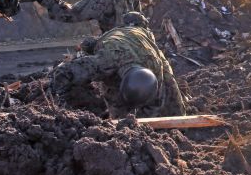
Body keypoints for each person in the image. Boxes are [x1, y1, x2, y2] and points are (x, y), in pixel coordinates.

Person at [51, 14, 186, 117]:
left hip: (142, 55)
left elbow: (168, 87)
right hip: (115, 52)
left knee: (160, 99)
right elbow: (64, 72)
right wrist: (61, 103)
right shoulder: (105, 61)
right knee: (116, 107)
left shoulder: (154, 63)